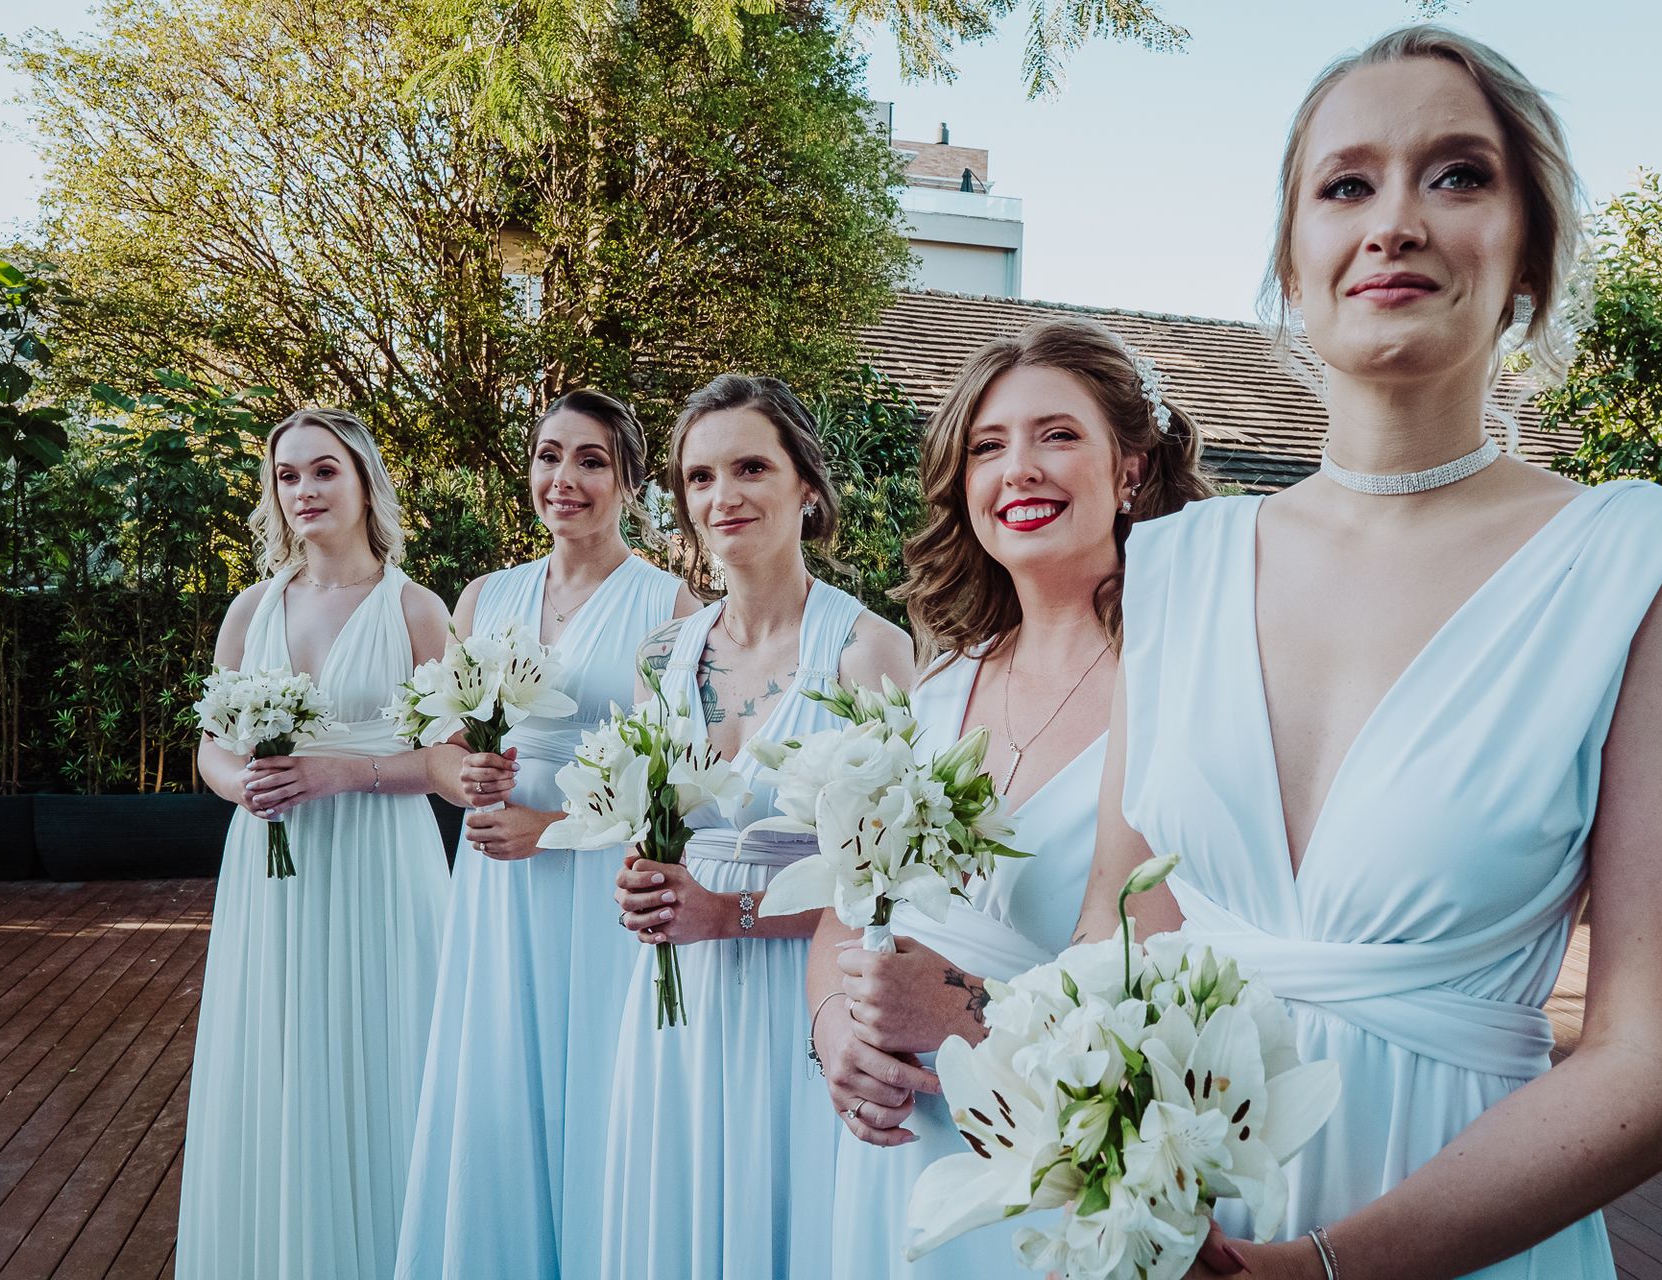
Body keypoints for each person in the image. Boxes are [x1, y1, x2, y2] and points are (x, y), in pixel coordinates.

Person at [1076, 25, 1662, 1280]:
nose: (1394, 222)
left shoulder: (1644, 568)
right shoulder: (1174, 570)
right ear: (1293, 261)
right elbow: (1111, 949)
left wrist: (1331, 1266)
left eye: (1456, 175)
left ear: (1529, 252)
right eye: (1347, 185)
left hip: (1469, 1235)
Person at [810, 315, 1213, 1278]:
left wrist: (960, 1012)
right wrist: (833, 1031)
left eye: (1057, 435)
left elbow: (1164, 990)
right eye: (988, 447)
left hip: (1060, 1177)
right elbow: (841, 911)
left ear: (1130, 468)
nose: (1018, 470)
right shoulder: (936, 689)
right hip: (894, 1159)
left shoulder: (1188, 690)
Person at [602, 374, 915, 1280]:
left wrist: (727, 913)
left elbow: (891, 885)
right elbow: (650, 816)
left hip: (807, 994)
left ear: (806, 485)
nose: (723, 496)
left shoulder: (868, 652)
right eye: (700, 477)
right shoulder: (660, 657)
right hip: (677, 1000)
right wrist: (641, 871)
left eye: (750, 468)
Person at [394, 391, 695, 1279]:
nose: (564, 478)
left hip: (600, 884)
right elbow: (438, 745)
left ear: (630, 482)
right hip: (495, 884)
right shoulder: (485, 597)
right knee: (496, 1085)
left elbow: (673, 783)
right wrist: (462, 776)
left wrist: (553, 827)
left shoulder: (670, 607)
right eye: (549, 456)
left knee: (596, 1082)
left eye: (591, 460)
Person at [179, 408, 451, 1280]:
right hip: (272, 869)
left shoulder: (416, 610)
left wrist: (343, 772)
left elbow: (451, 762)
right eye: (288, 475)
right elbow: (212, 746)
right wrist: (239, 785)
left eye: (324, 470)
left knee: (384, 1050)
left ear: (364, 480)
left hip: (381, 859)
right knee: (278, 1051)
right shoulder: (250, 609)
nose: (305, 489)